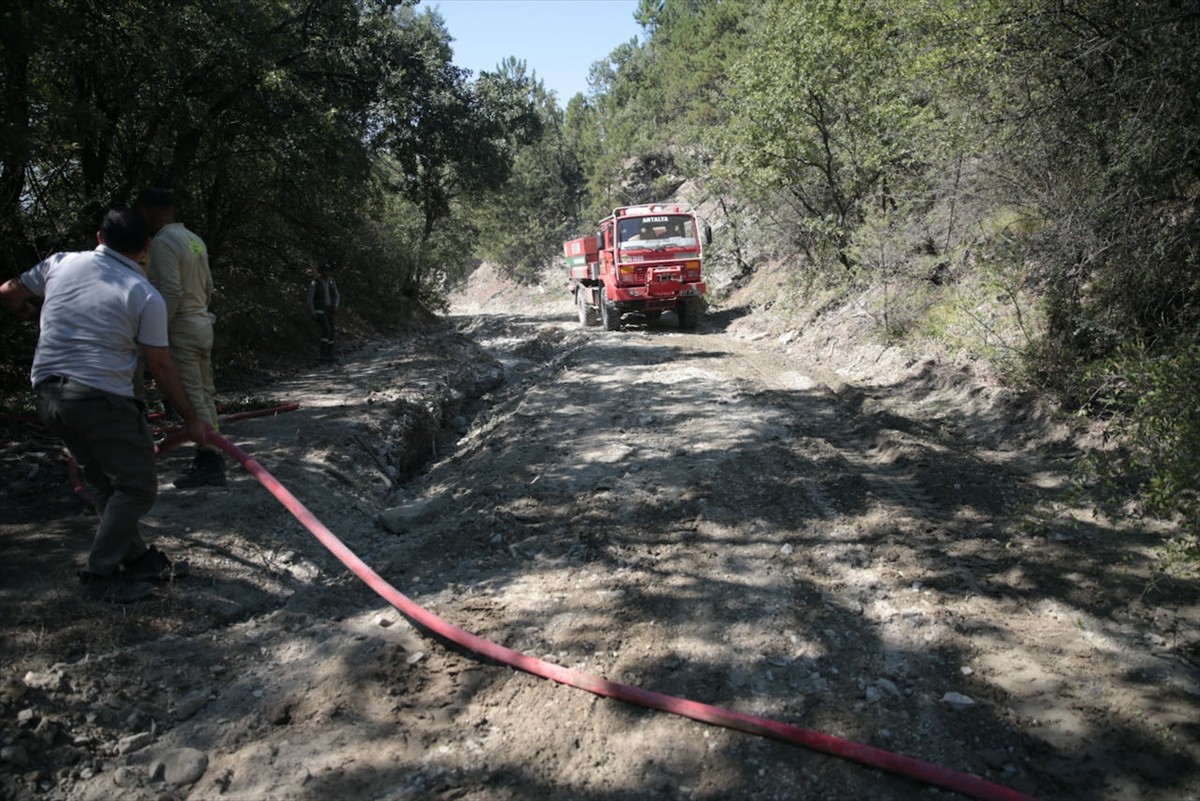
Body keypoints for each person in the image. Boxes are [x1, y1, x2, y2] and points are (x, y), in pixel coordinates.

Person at [0, 208, 209, 602]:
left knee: (99, 481)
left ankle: (137, 558)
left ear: (99, 236)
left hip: (48, 395)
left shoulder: (60, 262)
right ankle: (99, 575)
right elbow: (161, 367)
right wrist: (193, 419)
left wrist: (26, 311)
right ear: (146, 248)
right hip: (99, 398)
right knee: (138, 488)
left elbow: (8, 291)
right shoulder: (143, 293)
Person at [135, 188, 225, 487]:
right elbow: (209, 285)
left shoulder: (163, 243)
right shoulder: (194, 240)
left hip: (183, 328)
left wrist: (157, 329)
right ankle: (212, 452)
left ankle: (210, 460)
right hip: (201, 323)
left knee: (192, 395)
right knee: (205, 391)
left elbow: (171, 291)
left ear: (146, 211)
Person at [307, 262, 340, 363]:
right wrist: (312, 312)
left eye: (329, 271)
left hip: (328, 310)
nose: (328, 273)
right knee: (326, 330)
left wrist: (335, 305)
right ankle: (322, 354)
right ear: (321, 271)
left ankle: (329, 354)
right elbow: (310, 299)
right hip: (319, 310)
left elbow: (337, 295)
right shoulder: (314, 284)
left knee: (332, 331)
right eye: (326, 271)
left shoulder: (331, 282)